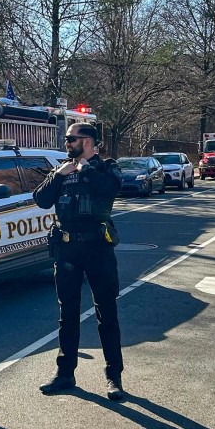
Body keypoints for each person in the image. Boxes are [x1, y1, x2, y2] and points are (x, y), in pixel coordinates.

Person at [33, 123, 126, 401]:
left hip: (98, 247)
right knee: (68, 313)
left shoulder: (106, 167)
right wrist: (60, 175)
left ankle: (114, 376)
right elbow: (41, 199)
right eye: (66, 139)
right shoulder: (63, 170)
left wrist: (86, 168)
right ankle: (65, 374)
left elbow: (111, 189)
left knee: (106, 312)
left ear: (86, 142)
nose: (66, 143)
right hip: (67, 249)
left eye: (71, 139)